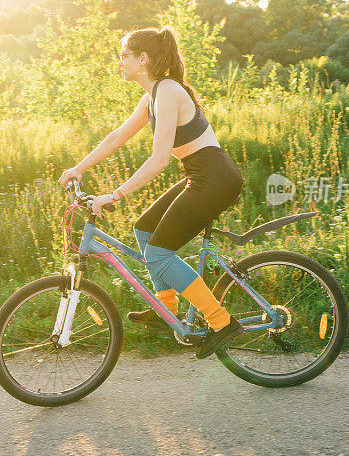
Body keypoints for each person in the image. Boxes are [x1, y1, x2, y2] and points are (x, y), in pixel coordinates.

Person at [57, 26, 244, 359]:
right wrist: (78, 169)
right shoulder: (153, 96)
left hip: (215, 178)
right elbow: (117, 137)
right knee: (144, 229)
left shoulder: (168, 91)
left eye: (123, 56)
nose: (119, 62)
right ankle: (166, 309)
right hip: (200, 174)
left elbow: (159, 160)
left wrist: (114, 195)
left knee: (158, 254)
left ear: (142, 59)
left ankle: (221, 322)